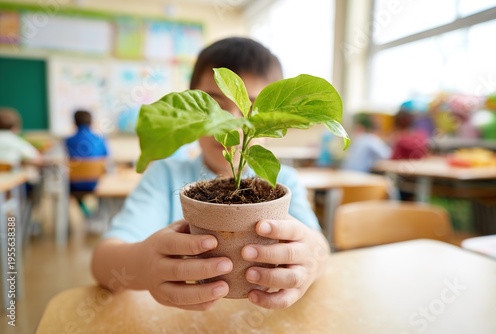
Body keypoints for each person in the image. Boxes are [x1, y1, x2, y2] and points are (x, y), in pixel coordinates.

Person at [91, 37, 330, 311]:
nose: (229, 123)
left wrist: (312, 258)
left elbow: (320, 248)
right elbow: (101, 263)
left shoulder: (282, 182)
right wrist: (144, 264)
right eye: (213, 107)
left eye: (250, 111)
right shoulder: (166, 176)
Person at [65, 110, 109, 217]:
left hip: (75, 184)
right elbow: (106, 157)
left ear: (74, 123)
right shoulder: (100, 139)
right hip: (96, 183)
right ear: (91, 122)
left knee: (69, 186)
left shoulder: (68, 141)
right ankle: (92, 214)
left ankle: (85, 211)